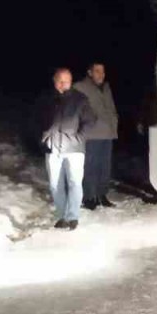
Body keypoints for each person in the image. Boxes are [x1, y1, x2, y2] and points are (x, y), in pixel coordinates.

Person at [40, 67, 95, 230]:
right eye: (61, 81)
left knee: (75, 182)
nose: (64, 85)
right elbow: (35, 120)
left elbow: (90, 120)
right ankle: (61, 216)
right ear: (54, 81)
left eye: (67, 81)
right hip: (53, 149)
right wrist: (42, 137)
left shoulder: (80, 99)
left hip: (74, 149)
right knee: (55, 185)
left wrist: (79, 137)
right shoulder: (46, 99)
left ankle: (72, 216)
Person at [74, 61, 119, 209]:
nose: (101, 75)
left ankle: (102, 195)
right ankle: (89, 198)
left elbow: (111, 107)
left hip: (108, 133)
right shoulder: (80, 87)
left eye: (103, 72)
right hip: (91, 135)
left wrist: (114, 120)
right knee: (90, 167)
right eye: (98, 71)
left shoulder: (106, 87)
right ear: (90, 73)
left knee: (104, 167)